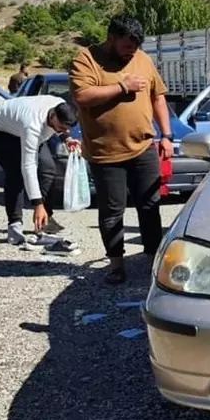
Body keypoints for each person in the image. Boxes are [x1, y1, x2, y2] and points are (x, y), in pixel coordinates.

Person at [69, 15, 174, 285]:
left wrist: (167, 136)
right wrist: (121, 87)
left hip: (143, 147)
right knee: (112, 211)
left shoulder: (143, 59)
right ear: (112, 38)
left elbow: (158, 96)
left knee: (150, 206)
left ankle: (152, 260)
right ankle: (116, 264)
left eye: (136, 47)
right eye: (127, 46)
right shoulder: (87, 59)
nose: (132, 52)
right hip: (107, 154)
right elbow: (82, 96)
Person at [0, 95, 80, 247]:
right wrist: (37, 204)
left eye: (66, 129)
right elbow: (29, 167)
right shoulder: (32, 125)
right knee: (16, 175)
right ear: (52, 116)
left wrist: (66, 138)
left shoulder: (59, 106)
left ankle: (45, 220)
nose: (62, 130)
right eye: (60, 128)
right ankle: (15, 226)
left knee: (48, 169)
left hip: (21, 125)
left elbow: (60, 128)